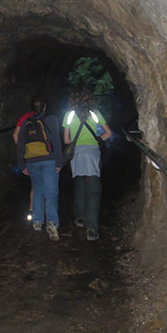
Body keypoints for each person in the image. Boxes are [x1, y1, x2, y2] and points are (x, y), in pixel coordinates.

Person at [62, 87, 112, 241]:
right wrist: (97, 140)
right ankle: (92, 229)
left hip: (77, 154)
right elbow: (108, 133)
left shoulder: (69, 115)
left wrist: (77, 143)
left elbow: (66, 140)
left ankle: (80, 217)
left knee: (80, 185)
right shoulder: (95, 114)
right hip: (92, 154)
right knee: (93, 191)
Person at [16, 96, 63, 241]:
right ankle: (51, 222)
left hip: (31, 161)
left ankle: (37, 221)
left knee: (37, 190)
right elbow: (56, 141)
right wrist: (59, 162)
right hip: (49, 160)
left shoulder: (26, 122)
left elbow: (20, 144)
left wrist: (21, 164)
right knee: (51, 192)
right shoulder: (52, 120)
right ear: (45, 106)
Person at [13, 107, 36, 217]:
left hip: (30, 154)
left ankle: (32, 209)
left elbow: (15, 135)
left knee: (35, 185)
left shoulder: (25, 117)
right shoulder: (47, 117)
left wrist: (22, 149)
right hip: (46, 155)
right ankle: (43, 211)